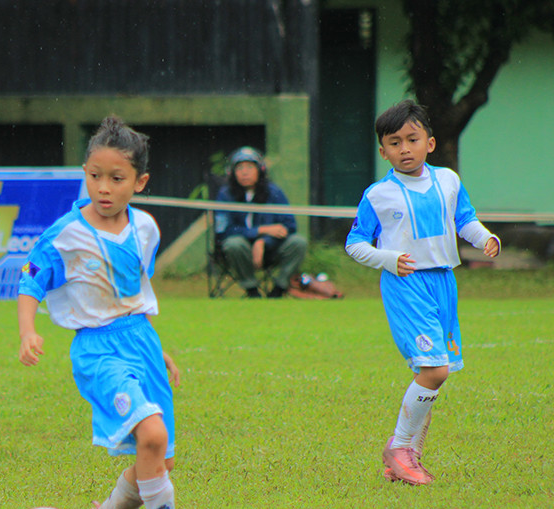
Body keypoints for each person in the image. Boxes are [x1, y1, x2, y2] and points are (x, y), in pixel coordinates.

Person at [17, 116, 191, 509]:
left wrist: (158, 348)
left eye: (117, 178)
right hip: (97, 351)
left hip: (142, 343)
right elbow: (30, 281)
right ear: (85, 173)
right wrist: (27, 331)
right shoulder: (67, 234)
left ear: (140, 182)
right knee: (151, 436)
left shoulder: (146, 230)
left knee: (159, 460)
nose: (104, 187)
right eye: (95, 176)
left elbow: (134, 294)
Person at [345, 99, 501, 486]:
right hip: (407, 284)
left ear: (429, 143)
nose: (404, 149)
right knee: (434, 370)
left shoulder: (448, 180)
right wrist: (387, 258)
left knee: (431, 373)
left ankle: (407, 456)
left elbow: (464, 218)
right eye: (394, 143)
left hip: (444, 282)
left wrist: (485, 238)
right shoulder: (378, 194)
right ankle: (399, 448)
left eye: (412, 139)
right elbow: (354, 243)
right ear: (383, 151)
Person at [214, 146, 307, 298]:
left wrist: (264, 241)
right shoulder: (225, 195)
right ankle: (251, 290)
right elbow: (223, 231)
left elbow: (289, 226)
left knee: (299, 242)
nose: (244, 172)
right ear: (232, 173)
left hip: (271, 250)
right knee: (234, 243)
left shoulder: (274, 192)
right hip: (240, 252)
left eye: (249, 167)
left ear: (260, 170)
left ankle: (279, 289)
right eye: (240, 168)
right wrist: (260, 231)